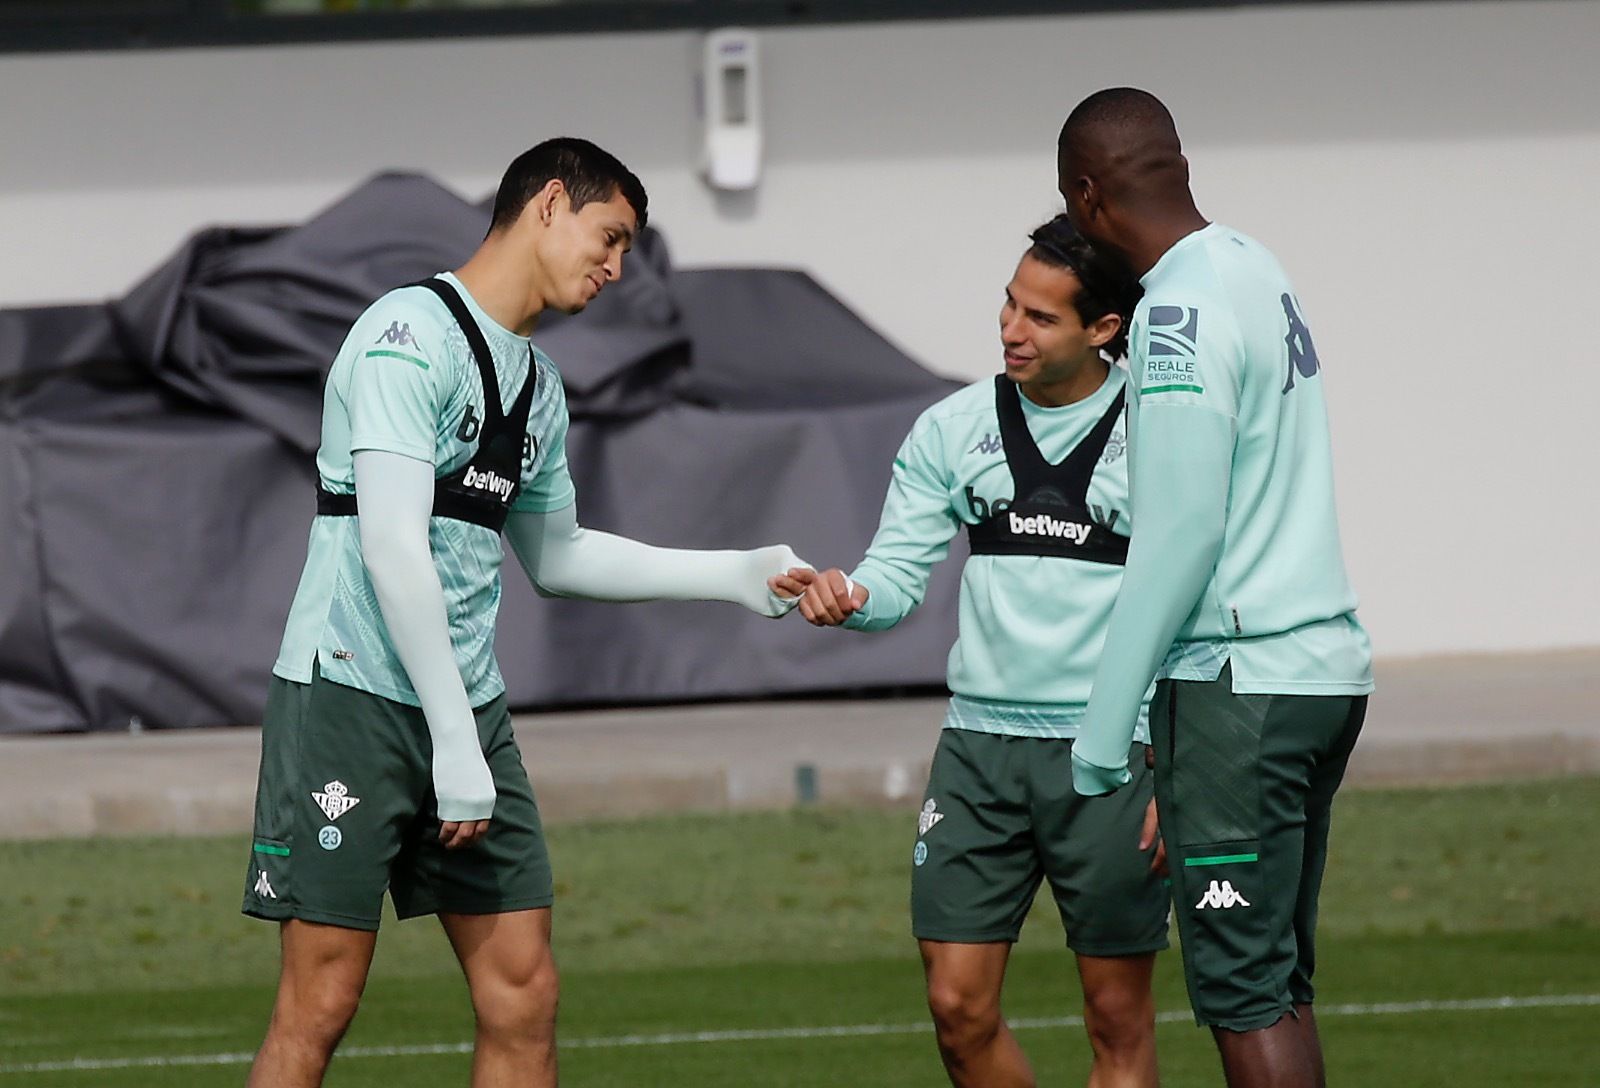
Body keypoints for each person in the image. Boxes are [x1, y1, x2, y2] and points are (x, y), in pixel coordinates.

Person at [240, 137, 805, 1088]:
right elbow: (392, 547)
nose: (617, 268)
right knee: (320, 1003)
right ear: (548, 204)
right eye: (609, 237)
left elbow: (559, 555)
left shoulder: (538, 384)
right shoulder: (405, 334)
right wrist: (453, 741)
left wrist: (736, 575)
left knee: (523, 995)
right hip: (348, 700)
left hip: (466, 711)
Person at [773, 215, 1166, 1088]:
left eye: (1041, 317)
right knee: (957, 1009)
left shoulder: (1163, 430)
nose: (1011, 329)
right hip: (978, 755)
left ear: (1104, 328)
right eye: (1009, 303)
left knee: (1117, 1021)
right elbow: (895, 575)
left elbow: (1202, 606)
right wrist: (851, 597)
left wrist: (1182, 763)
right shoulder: (950, 429)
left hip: (1114, 754)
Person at [1056, 89, 1373, 1088]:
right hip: (1320, 672)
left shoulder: (1174, 312)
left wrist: (1102, 732)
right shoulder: (1254, 265)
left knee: (1240, 989)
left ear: (1087, 196)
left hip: (1242, 687)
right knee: (1275, 982)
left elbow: (1182, 533)